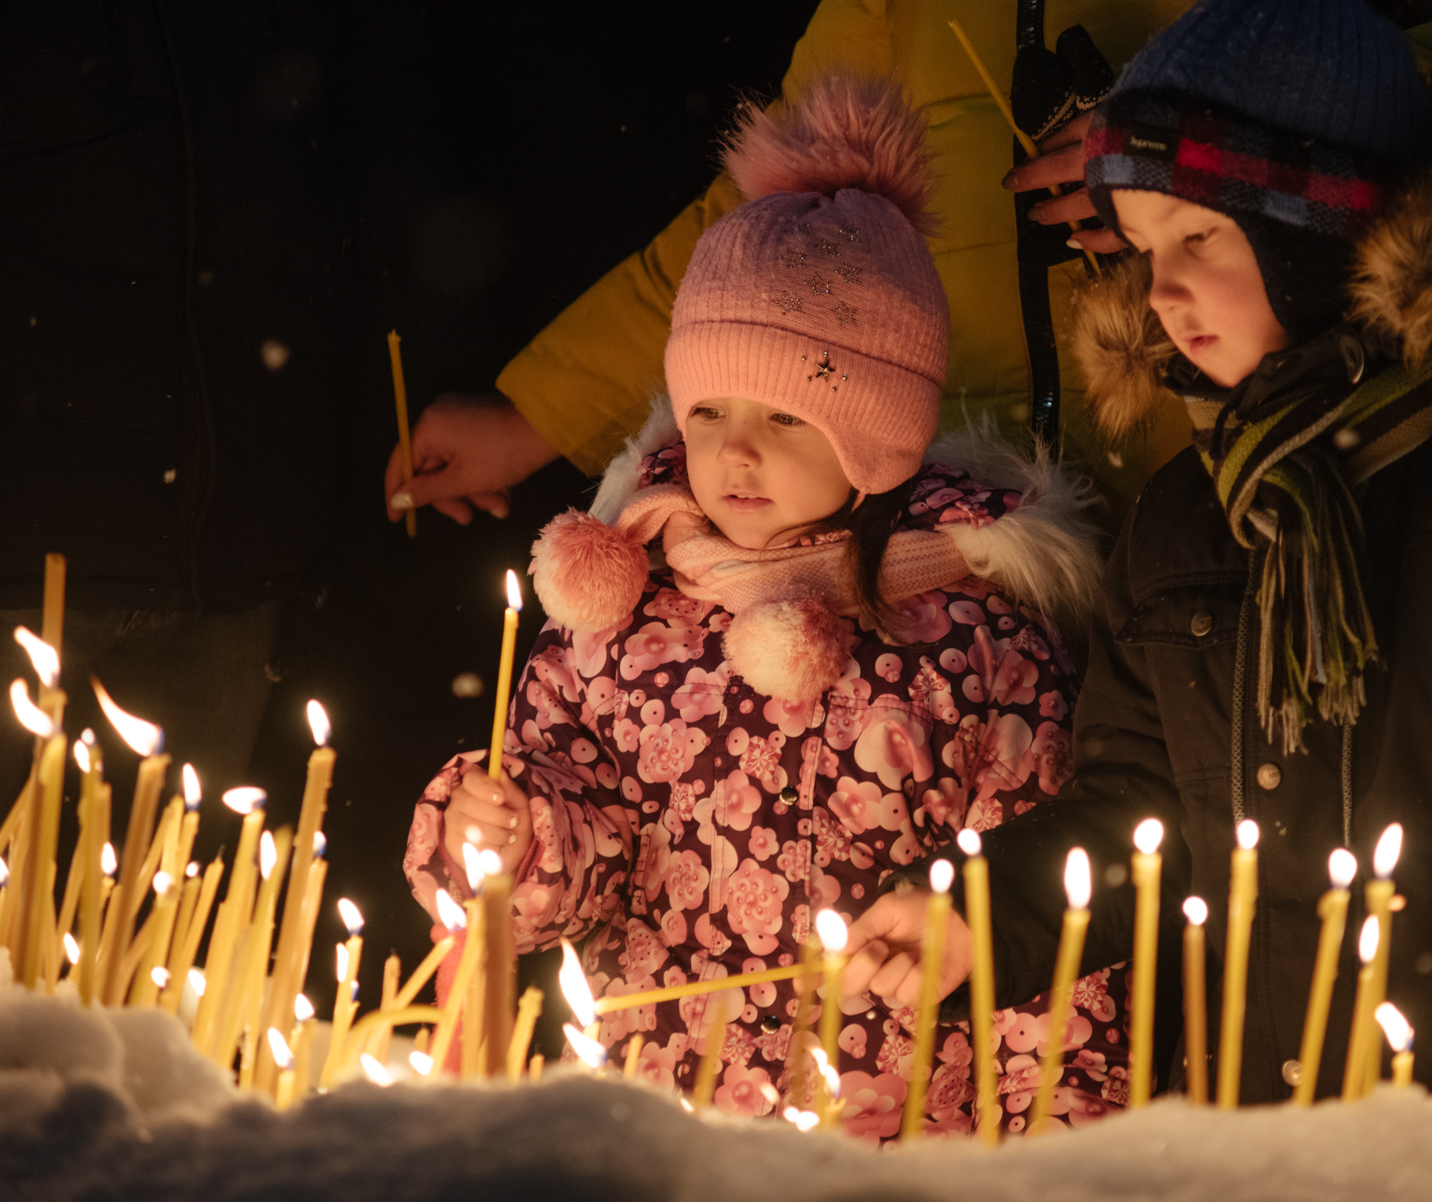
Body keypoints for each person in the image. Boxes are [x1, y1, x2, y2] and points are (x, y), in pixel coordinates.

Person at [840, 0, 1432, 1104]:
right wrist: (983, 912)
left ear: (1319, 228)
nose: (1160, 289)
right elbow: (1146, 804)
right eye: (1140, 248)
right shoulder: (1185, 516)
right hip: (1268, 1120)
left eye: (1200, 238)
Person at [403, 77, 1130, 1139]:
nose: (734, 451)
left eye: (787, 414)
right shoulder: (617, 618)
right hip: (667, 1128)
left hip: (903, 1145)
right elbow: (578, 858)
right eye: (707, 408)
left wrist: (1063, 1146)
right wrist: (507, 835)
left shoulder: (981, 643)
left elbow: (1036, 940)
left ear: (876, 430)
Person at [382, 0, 1432, 535]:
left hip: (1257, 493)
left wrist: (1215, 143)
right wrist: (539, 412)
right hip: (953, 542)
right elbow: (766, 223)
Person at [1, 0, 484, 794]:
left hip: (240, 551)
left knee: (171, 909)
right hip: (31, 540)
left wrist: (397, 426)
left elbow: (385, 141)